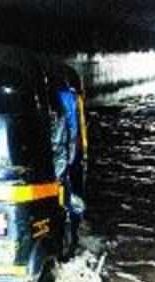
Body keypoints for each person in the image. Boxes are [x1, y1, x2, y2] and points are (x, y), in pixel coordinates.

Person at [52, 82, 86, 258]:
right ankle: (67, 247)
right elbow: (71, 138)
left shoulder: (54, 98)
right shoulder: (68, 98)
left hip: (55, 162)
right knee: (66, 201)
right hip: (62, 163)